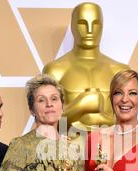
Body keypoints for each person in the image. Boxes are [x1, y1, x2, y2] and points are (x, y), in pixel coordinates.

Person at [43, 2, 129, 130]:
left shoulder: (120, 71)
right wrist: (81, 105)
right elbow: (46, 123)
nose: (89, 30)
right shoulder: (55, 70)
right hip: (68, 147)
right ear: (72, 26)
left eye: (96, 24)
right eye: (82, 23)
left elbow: (130, 122)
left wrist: (102, 120)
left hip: (112, 147)